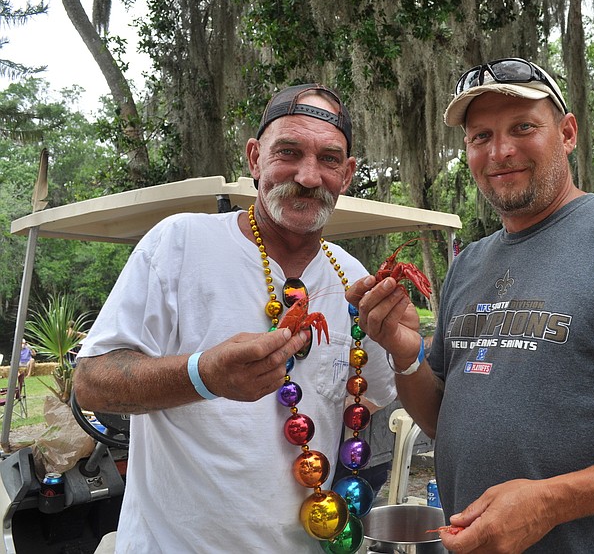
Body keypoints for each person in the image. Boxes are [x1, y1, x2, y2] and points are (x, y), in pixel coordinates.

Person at [347, 57, 594, 553]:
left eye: (523, 127)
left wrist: (552, 502)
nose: (500, 151)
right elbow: (440, 421)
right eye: (481, 137)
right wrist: (406, 354)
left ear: (567, 133)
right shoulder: (471, 263)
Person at [74, 84, 397, 553]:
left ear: (346, 175)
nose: (308, 176)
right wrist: (202, 375)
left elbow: (372, 397)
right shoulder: (180, 242)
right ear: (254, 158)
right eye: (288, 152)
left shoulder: (353, 277)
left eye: (329, 159)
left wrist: (408, 350)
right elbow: (90, 382)